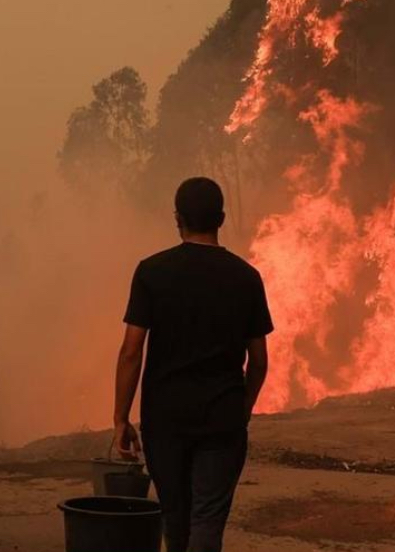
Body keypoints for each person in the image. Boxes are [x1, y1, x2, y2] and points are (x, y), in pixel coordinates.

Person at [112, 177, 272, 552]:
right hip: (223, 420)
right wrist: (243, 408)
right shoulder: (246, 277)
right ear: (221, 218)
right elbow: (259, 360)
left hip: (165, 421)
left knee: (176, 520)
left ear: (177, 219)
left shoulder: (151, 271)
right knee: (207, 522)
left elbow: (131, 351)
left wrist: (121, 418)